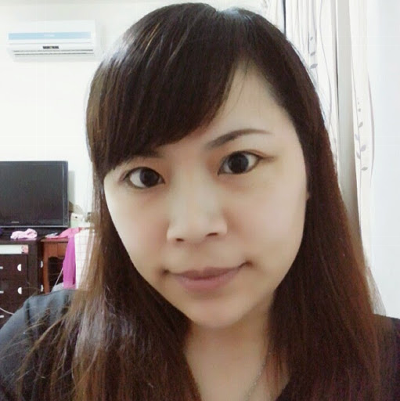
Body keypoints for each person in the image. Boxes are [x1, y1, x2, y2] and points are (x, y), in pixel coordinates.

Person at [0, 3, 399, 400]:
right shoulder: (40, 352)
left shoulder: (389, 368)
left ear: (310, 167)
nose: (192, 226)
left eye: (239, 163)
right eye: (145, 177)